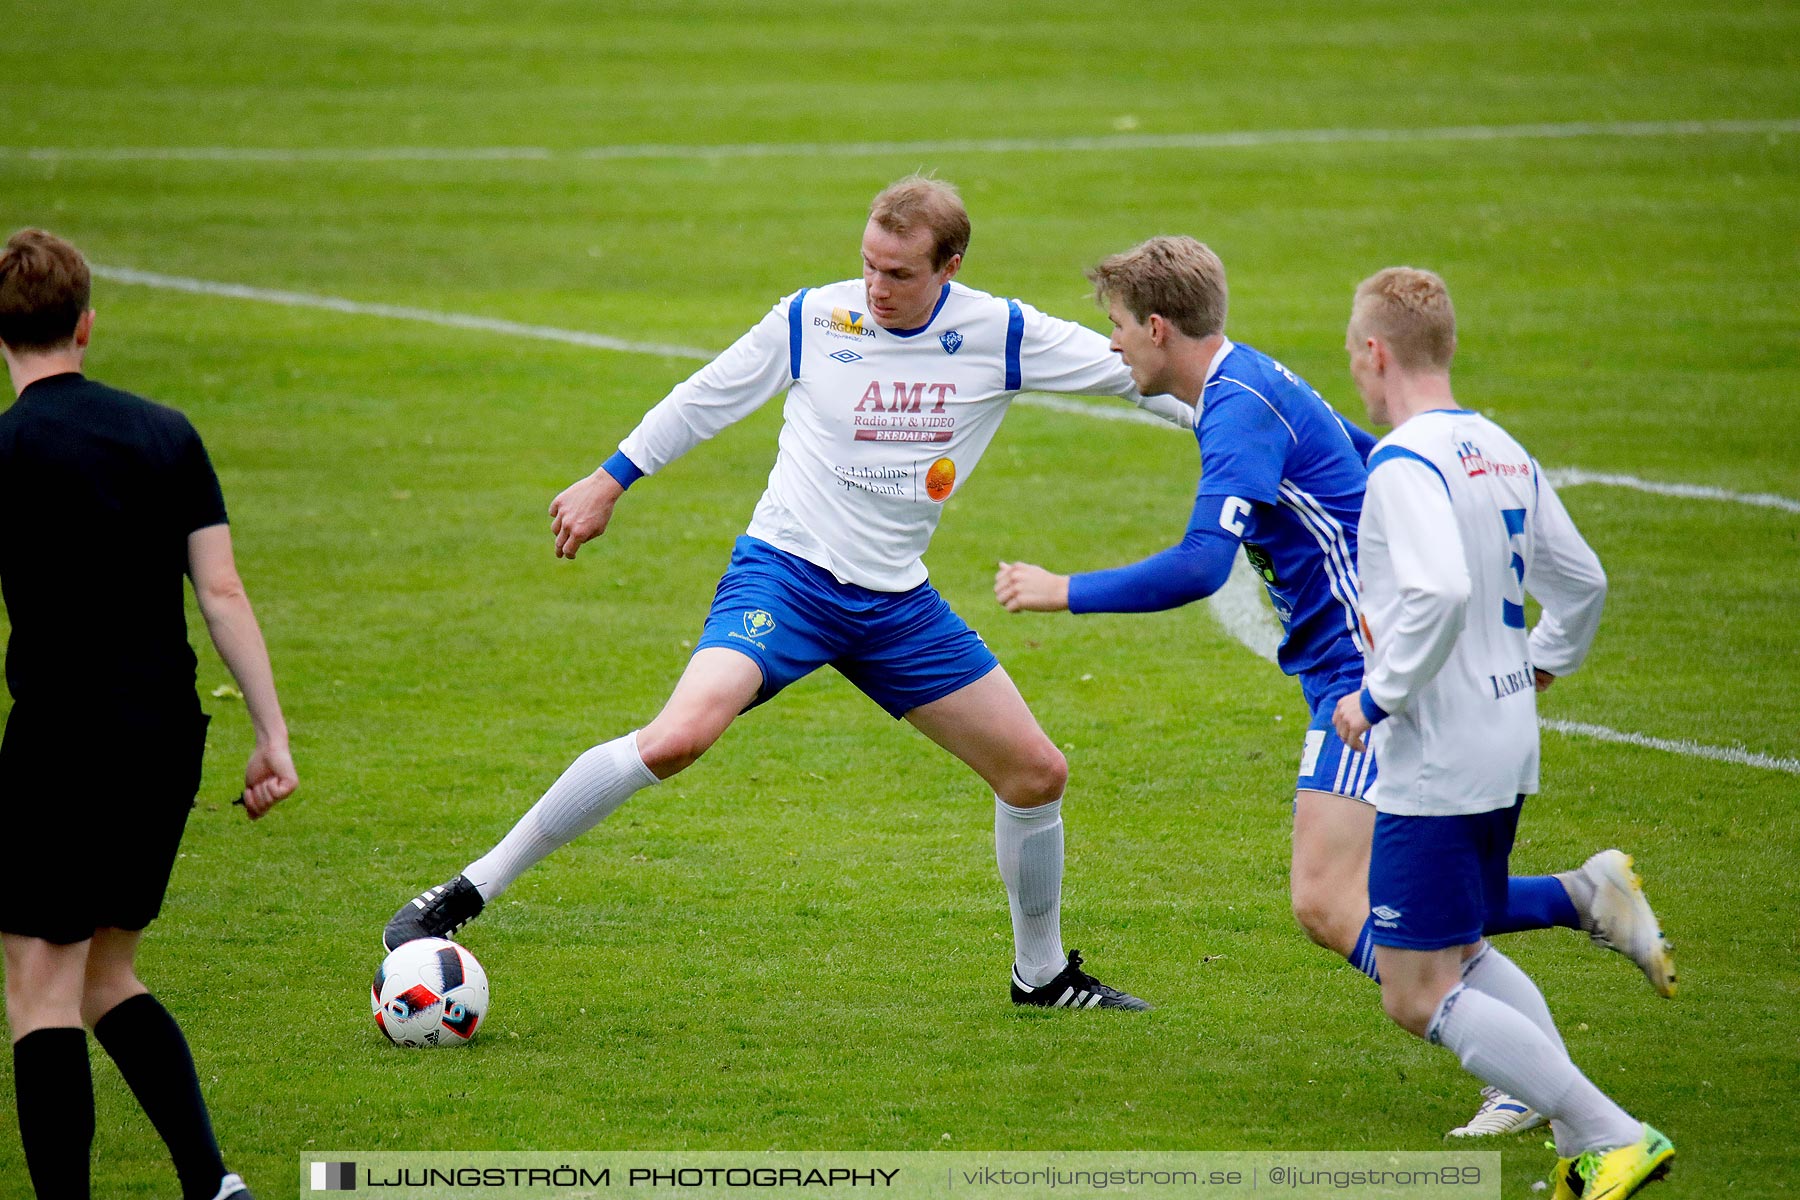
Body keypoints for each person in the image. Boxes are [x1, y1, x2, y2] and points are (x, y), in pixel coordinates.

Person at [384, 176, 1199, 1011]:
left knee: (1035, 773)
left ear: (949, 266)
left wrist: (1260, 428)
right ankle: (461, 894)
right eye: (870, 266)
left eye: (900, 274)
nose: (878, 288)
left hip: (895, 607)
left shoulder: (1002, 333)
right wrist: (609, 480)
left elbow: (1147, 376)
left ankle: (1043, 977)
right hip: (788, 576)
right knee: (678, 738)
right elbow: (709, 396)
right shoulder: (814, 318)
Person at [993, 236, 1673, 1135]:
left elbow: (1204, 566)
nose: (1112, 344)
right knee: (1428, 914)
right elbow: (1350, 450)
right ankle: (1558, 982)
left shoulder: (1235, 409)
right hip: (1351, 666)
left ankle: (1572, 1017)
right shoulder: (1255, 381)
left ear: (1159, 328)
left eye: (1117, 327)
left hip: (1367, 676)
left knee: (1334, 902)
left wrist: (1062, 591)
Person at [1331, 266, 1672, 1197]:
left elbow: (1438, 589)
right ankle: (1578, 1136)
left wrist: (1379, 696)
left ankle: (1612, 1132)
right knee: (1467, 943)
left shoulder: (1402, 462)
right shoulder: (1500, 448)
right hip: (1504, 737)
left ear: (1374, 353)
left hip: (1437, 755)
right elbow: (1583, 581)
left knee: (1415, 988)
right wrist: (1540, 663)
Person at [0, 229, 299, 1200]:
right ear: (87, 323)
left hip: (57, 744)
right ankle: (212, 1183)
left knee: (39, 991)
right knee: (104, 977)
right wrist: (272, 734)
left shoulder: (5, 450)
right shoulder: (165, 432)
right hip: (162, 737)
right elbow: (223, 594)